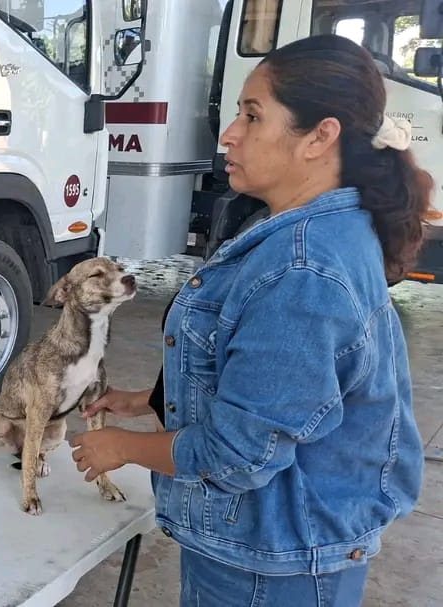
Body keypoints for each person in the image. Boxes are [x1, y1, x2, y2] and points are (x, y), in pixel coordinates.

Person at [69, 35, 429, 606]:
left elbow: (240, 455)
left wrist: (123, 448)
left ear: (320, 136)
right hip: (280, 546)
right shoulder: (312, 234)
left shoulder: (302, 267)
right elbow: (286, 390)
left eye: (252, 115)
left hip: (273, 565)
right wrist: (152, 400)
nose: (229, 133)